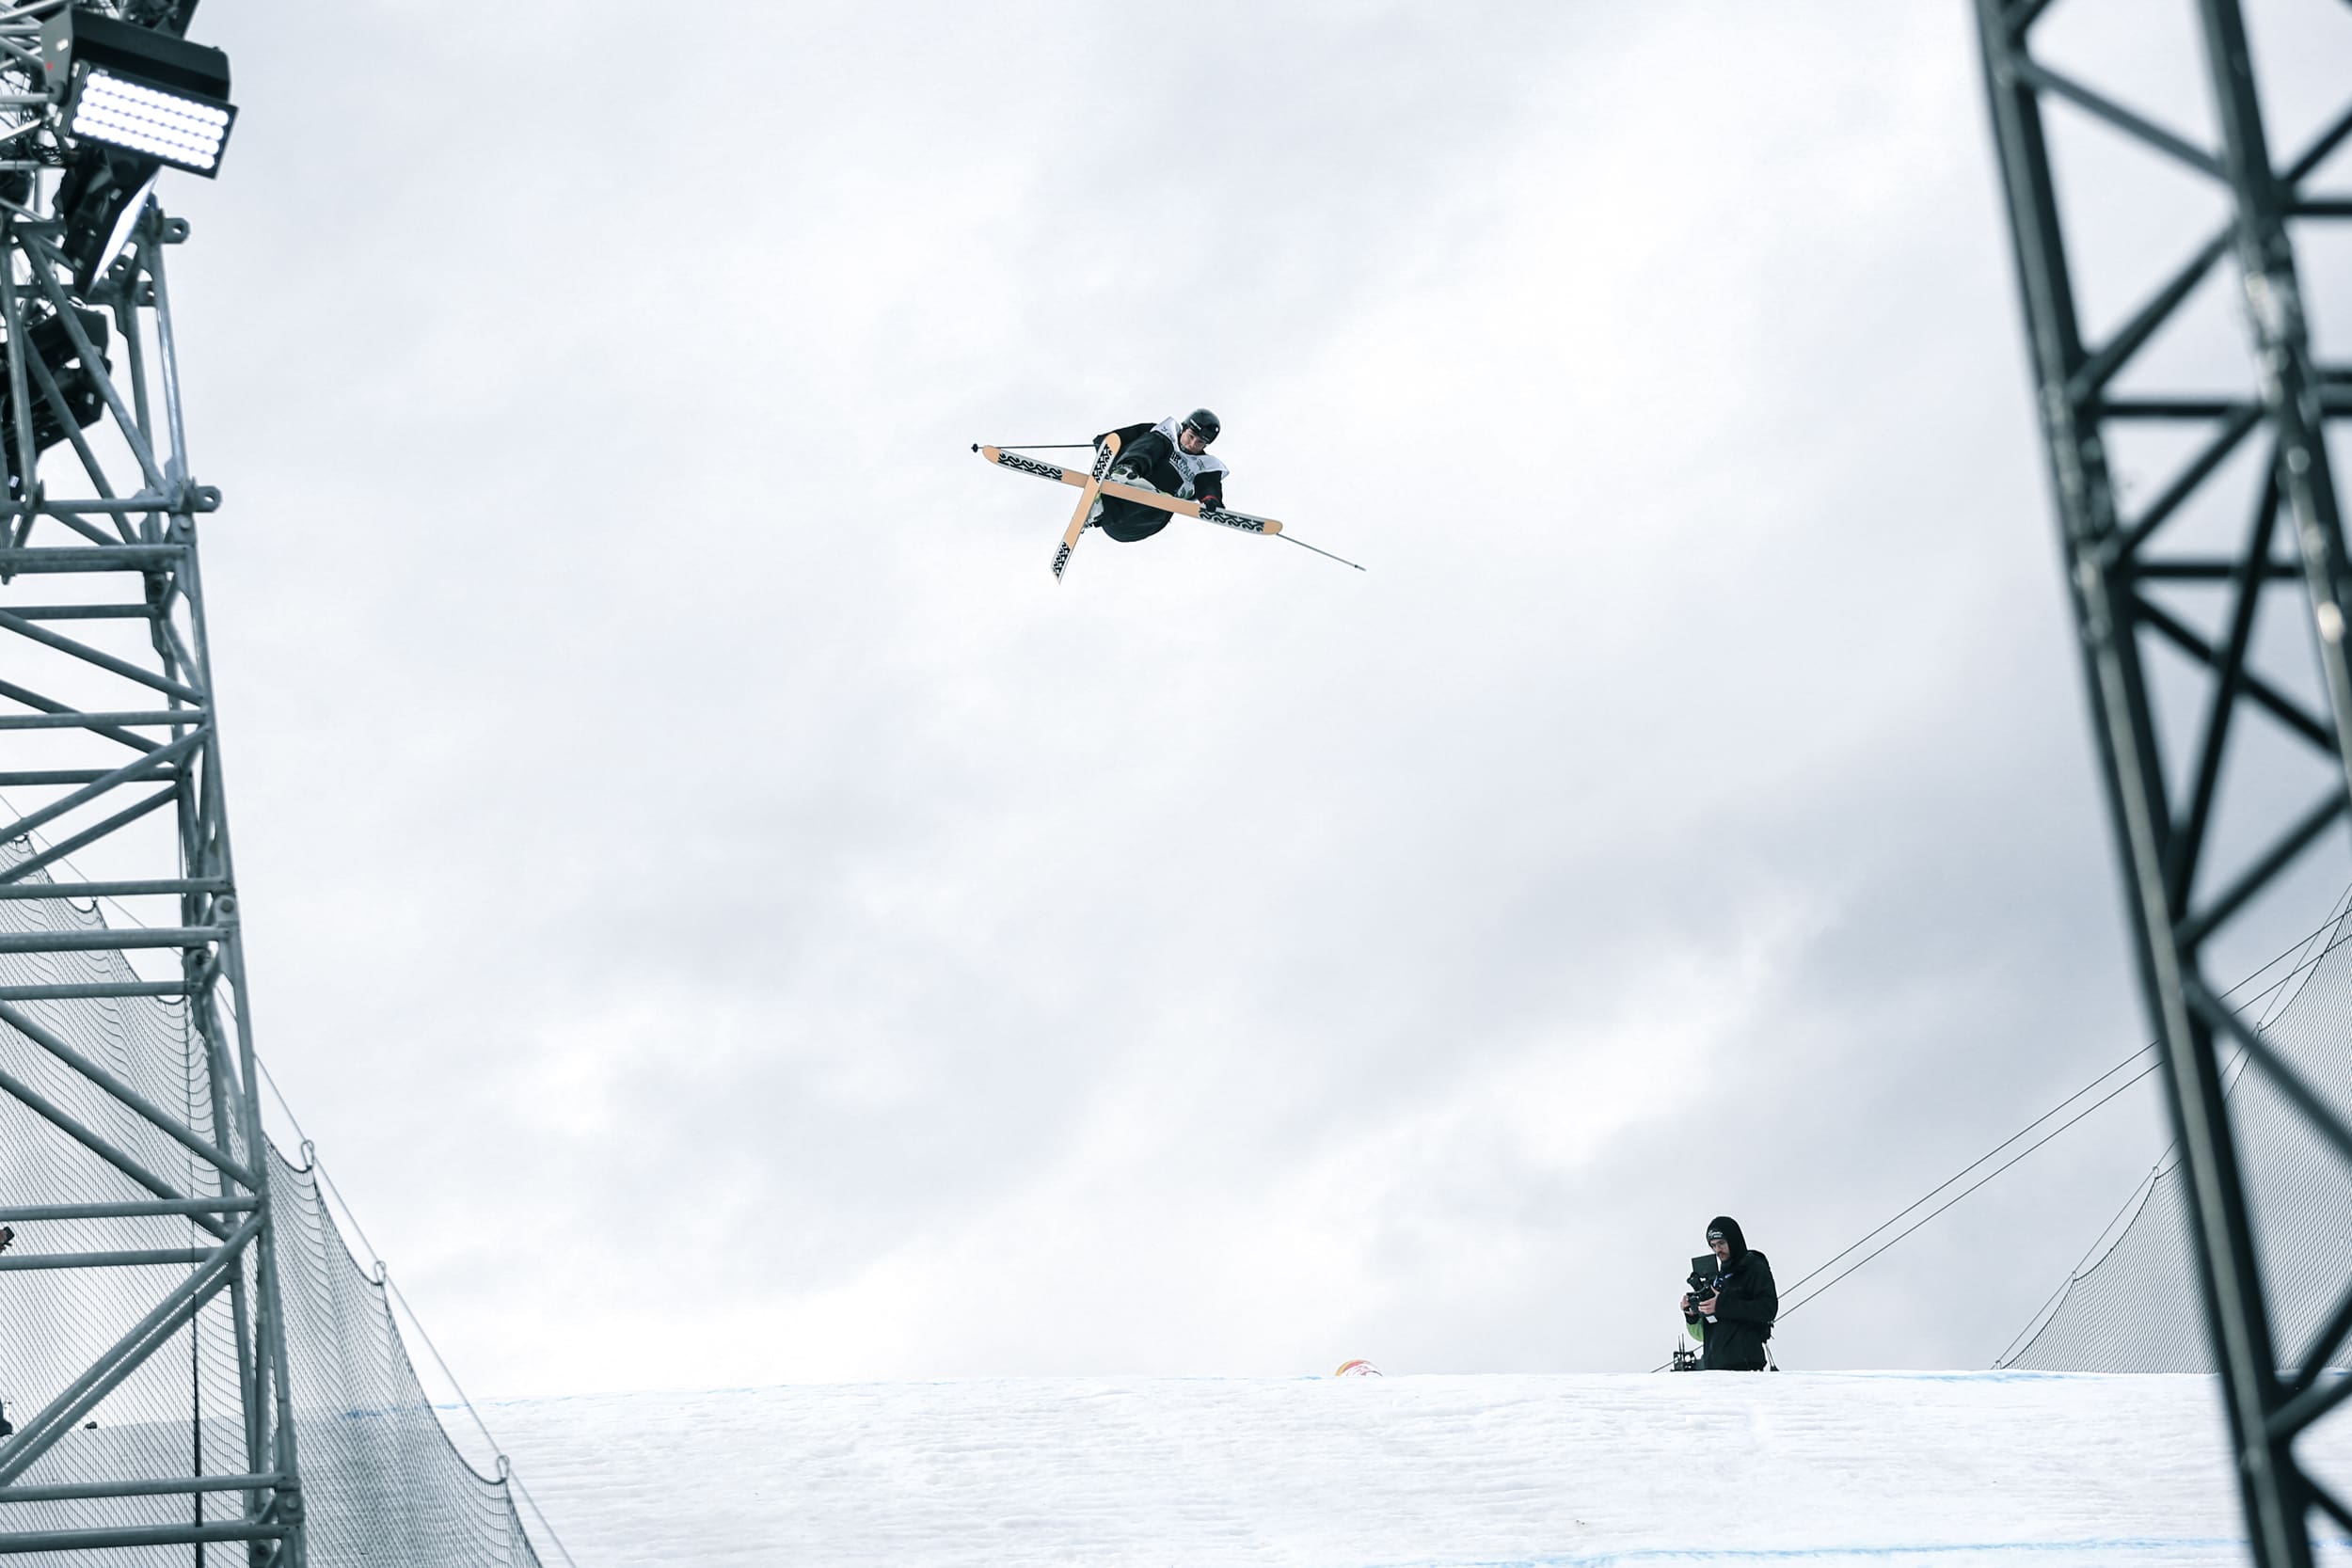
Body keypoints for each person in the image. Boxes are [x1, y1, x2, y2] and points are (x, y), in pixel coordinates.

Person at [1087, 408, 1229, 542]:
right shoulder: (1163, 433)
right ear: (1184, 428)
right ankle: (1125, 474)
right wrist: (1105, 444)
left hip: (1140, 522)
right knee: (1159, 440)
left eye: (1200, 443)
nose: (1192, 444)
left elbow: (1210, 486)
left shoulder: (1204, 466)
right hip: (1114, 506)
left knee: (1165, 499)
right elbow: (1122, 438)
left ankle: (1107, 506)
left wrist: (1212, 501)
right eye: (1190, 436)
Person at [1680, 1215, 1776, 1370]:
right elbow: (1705, 1333)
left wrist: (1721, 1305)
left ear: (1733, 1240)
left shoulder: (1754, 1267)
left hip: (1745, 1369)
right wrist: (1694, 1314)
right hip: (1715, 1371)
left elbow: (1768, 1309)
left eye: (1721, 1243)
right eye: (1713, 1245)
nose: (1718, 1250)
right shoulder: (1718, 1278)